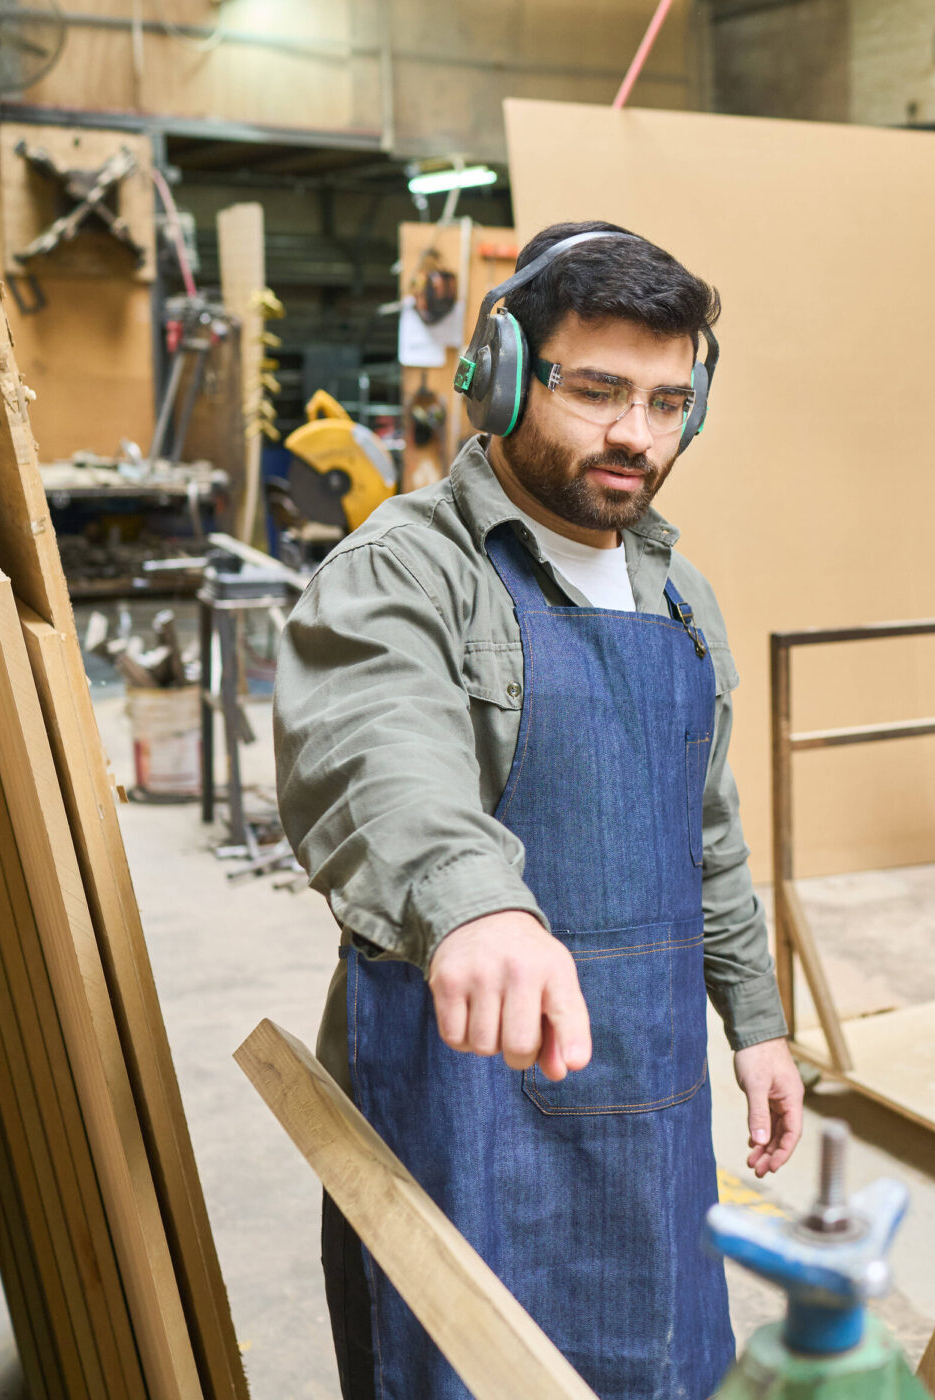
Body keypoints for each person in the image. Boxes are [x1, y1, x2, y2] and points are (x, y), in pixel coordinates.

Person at [273, 221, 803, 1400]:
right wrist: (476, 910)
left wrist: (756, 1020)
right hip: (456, 1090)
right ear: (502, 375)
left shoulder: (679, 593)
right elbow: (375, 749)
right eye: (599, 388)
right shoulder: (408, 566)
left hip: (648, 1089)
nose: (636, 433)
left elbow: (705, 834)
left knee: (662, 1364)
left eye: (669, 401)